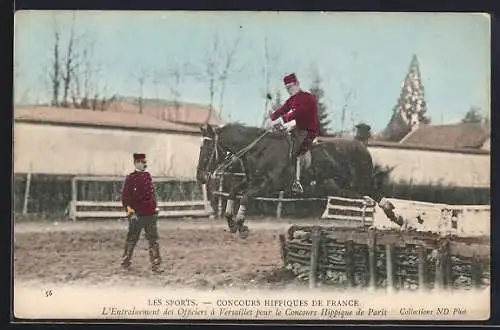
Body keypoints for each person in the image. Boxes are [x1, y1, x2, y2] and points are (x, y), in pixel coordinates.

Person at [269, 73, 320, 193]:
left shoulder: (307, 98)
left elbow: (298, 112)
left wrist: (283, 119)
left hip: (309, 130)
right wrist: (271, 118)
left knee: (296, 150)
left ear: (297, 84)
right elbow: (282, 110)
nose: (289, 90)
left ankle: (296, 182)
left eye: (291, 87)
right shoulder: (291, 100)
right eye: (287, 88)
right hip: (297, 129)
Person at [120, 153, 163, 273]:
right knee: (132, 239)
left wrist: (155, 208)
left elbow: (152, 194)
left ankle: (156, 264)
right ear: (136, 163)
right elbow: (125, 198)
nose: (145, 164)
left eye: (145, 162)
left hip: (150, 214)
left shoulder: (148, 176)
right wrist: (130, 214)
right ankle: (125, 261)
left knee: (153, 239)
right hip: (136, 215)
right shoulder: (130, 178)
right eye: (143, 162)